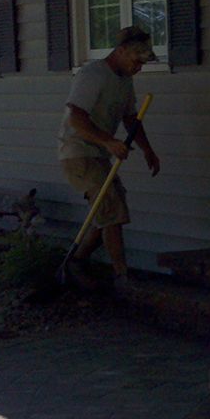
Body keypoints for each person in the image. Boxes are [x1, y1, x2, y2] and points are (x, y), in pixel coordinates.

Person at [57, 25, 162, 288]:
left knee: (108, 209)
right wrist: (108, 141)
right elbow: (76, 118)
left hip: (99, 153)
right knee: (112, 207)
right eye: (136, 60)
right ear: (122, 51)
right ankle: (121, 276)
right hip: (77, 152)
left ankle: (76, 262)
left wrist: (148, 150)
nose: (139, 67)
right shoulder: (93, 75)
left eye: (143, 63)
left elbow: (130, 119)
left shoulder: (125, 80)